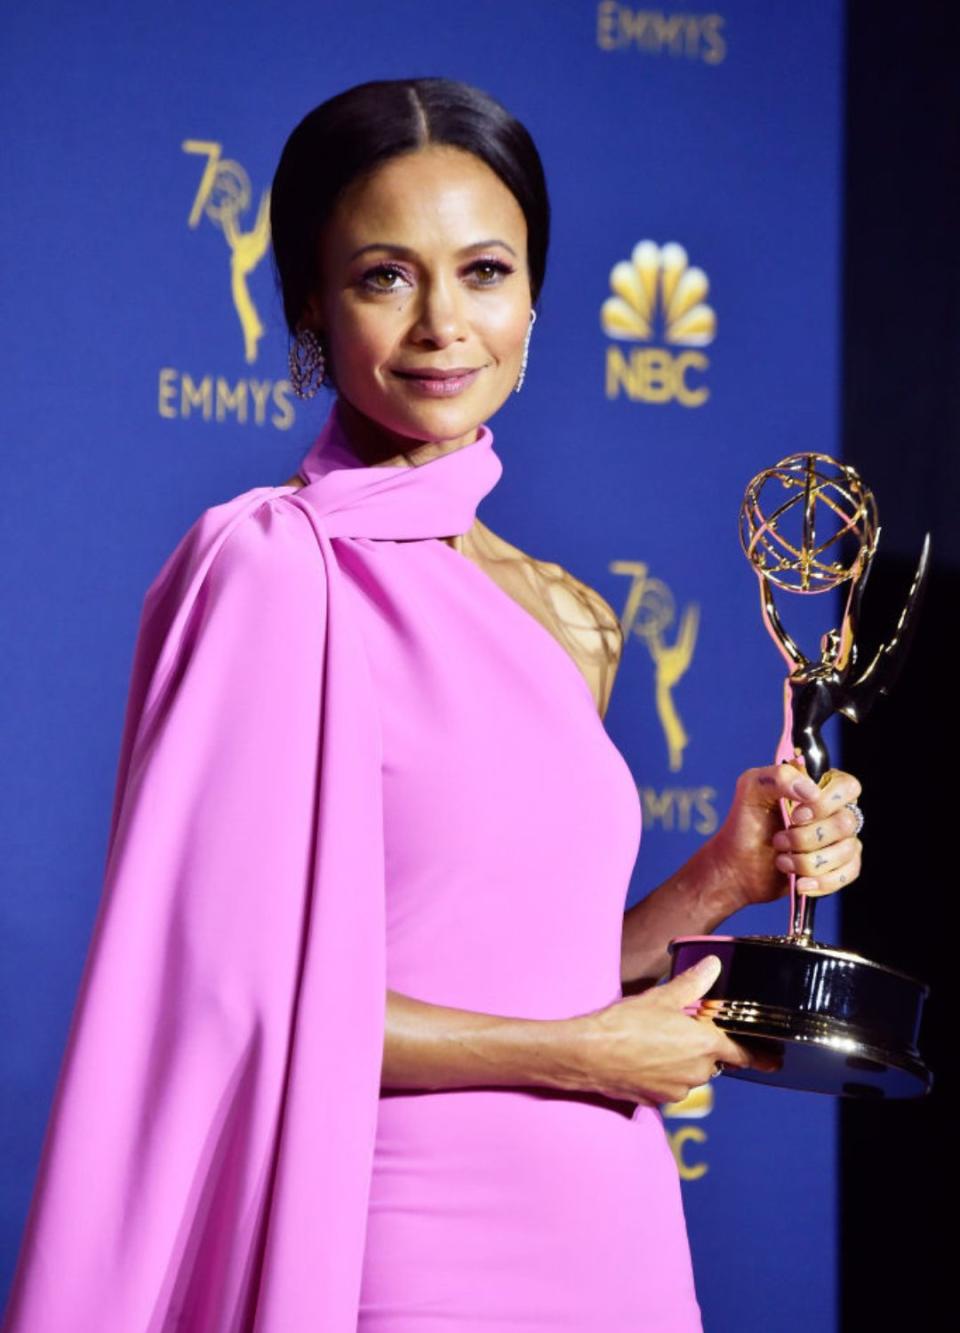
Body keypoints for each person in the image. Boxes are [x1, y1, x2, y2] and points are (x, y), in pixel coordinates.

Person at [1, 77, 864, 1333]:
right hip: (396, 1242)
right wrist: (590, 1055)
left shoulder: (571, 614)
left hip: (610, 1237)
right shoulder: (272, 568)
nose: (442, 325)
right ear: (309, 304)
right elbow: (243, 1009)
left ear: (535, 301)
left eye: (485, 271)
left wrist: (721, 881)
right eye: (385, 277)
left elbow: (521, 957)